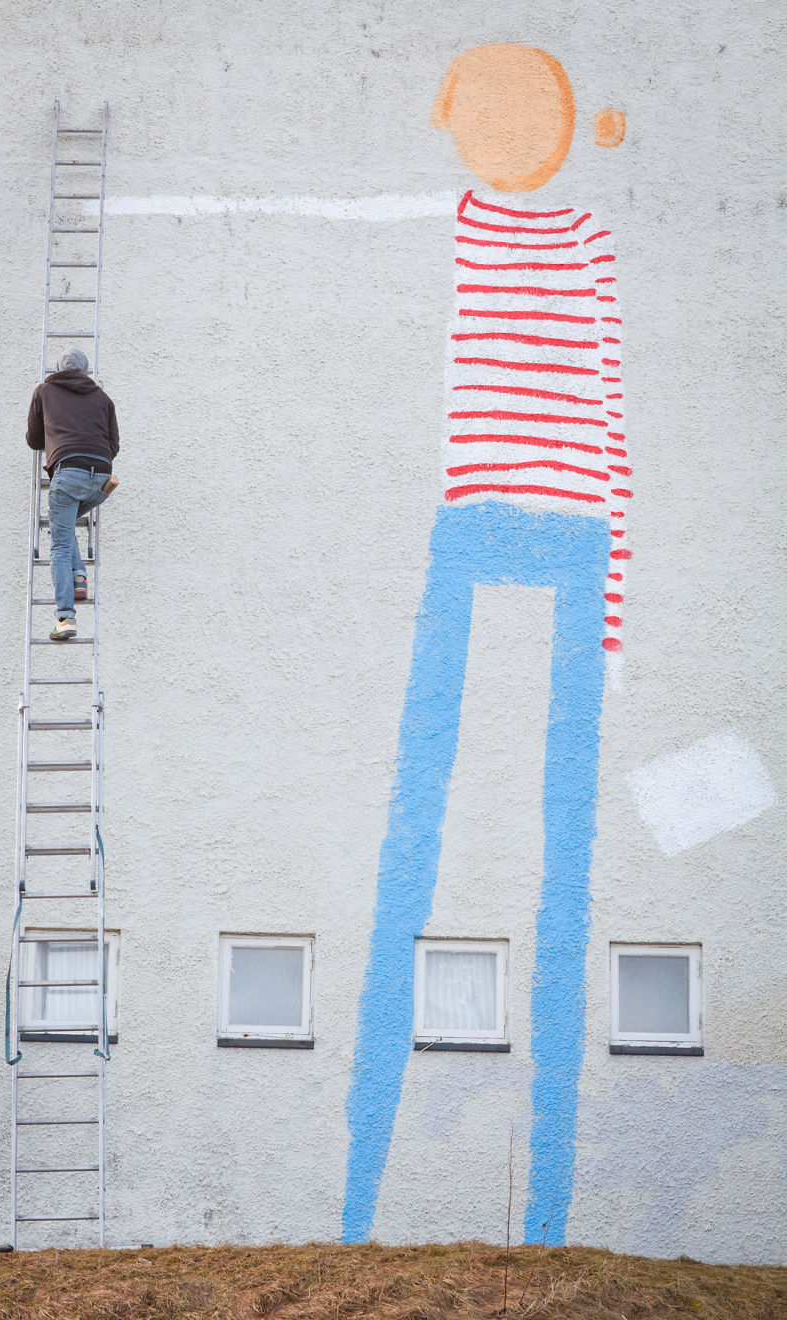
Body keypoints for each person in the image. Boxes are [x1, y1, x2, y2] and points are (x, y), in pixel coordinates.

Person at [342, 44, 629, 1249]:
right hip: (512, 526)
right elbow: (611, 424)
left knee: (531, 853)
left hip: (529, 527)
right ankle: (370, 1204)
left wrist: (609, 618)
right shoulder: (481, 230)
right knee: (436, 835)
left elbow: (610, 415)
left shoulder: (559, 236)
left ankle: (539, 1207)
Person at [26, 348, 119, 639]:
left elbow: (34, 440)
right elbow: (114, 445)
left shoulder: (44, 391)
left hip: (68, 474)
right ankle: (79, 577)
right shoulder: (103, 398)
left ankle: (66, 619)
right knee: (63, 527)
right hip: (103, 479)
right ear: (86, 371)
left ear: (57, 369)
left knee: (60, 545)